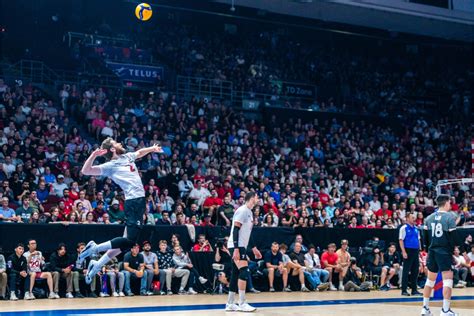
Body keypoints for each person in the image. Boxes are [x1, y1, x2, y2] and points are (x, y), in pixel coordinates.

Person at [78, 138, 164, 283]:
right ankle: (94, 248)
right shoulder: (110, 166)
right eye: (116, 143)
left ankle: (97, 264)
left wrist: (151, 148)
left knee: (123, 244)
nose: (120, 144)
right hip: (133, 202)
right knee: (130, 242)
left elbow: (139, 152)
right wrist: (93, 155)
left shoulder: (127, 156)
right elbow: (85, 171)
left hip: (139, 202)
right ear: (112, 149)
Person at [420, 195, 459, 316]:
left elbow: (424, 239)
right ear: (446, 203)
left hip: (432, 252)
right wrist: (457, 253)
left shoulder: (428, 218)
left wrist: (428, 250)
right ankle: (445, 310)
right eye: (450, 202)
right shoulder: (450, 217)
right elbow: (454, 239)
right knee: (448, 281)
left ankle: (425, 309)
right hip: (444, 252)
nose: (450, 205)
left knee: (429, 281)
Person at [225, 192, 262, 312]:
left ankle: (230, 303)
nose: (258, 199)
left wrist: (254, 248)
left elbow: (247, 234)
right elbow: (235, 230)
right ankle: (242, 303)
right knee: (244, 271)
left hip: (241, 246)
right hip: (237, 246)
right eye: (257, 197)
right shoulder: (243, 210)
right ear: (251, 198)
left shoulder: (249, 212)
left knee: (236, 273)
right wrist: (236, 248)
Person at [399, 212, 422, 296]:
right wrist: (404, 251)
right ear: (407, 218)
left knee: (415, 271)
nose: (414, 219)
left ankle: (414, 290)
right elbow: (401, 240)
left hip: (415, 251)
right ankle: (404, 290)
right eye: (412, 217)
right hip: (408, 250)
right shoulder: (404, 228)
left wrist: (419, 251)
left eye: (414, 217)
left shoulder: (416, 228)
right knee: (406, 271)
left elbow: (418, 240)